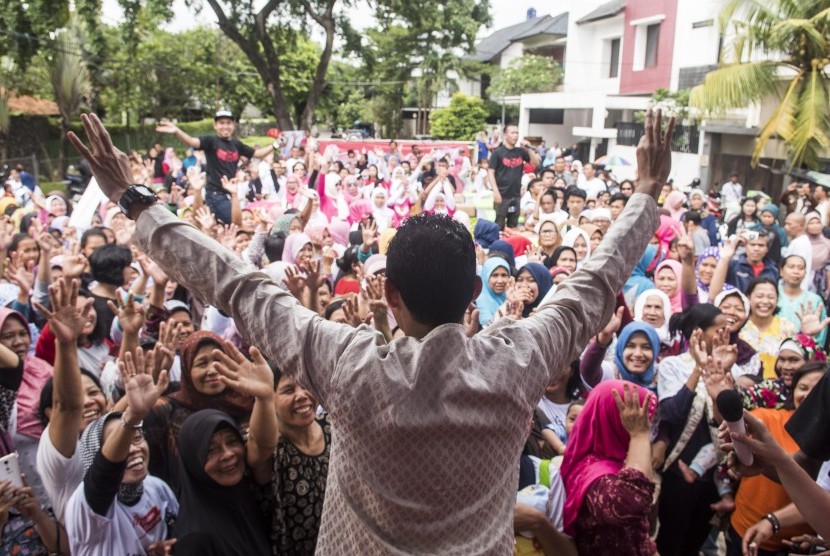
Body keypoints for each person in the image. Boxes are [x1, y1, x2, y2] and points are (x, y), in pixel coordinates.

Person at [69, 109, 674, 552]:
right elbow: (593, 287)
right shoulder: (518, 360)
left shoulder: (349, 366)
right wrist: (645, 194)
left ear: (388, 294)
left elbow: (238, 284)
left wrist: (133, 197)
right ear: (473, 295)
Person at [63, 351, 178, 555]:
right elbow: (105, 474)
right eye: (122, 445)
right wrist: (133, 416)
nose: (133, 450)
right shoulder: (86, 508)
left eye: (137, 438)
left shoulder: (157, 488)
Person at [727, 362, 825, 556]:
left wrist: (774, 521)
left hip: (789, 544)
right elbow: (803, 469)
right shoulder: (766, 418)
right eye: (803, 388)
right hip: (743, 529)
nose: (808, 397)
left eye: (816, 392)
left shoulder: (824, 439)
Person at [560, 381, 656, 555]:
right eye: (637, 420)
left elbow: (637, 532)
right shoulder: (595, 474)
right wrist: (639, 435)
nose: (647, 426)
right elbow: (632, 504)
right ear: (614, 420)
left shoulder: (607, 461)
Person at [155, 111, 277, 224]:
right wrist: (177, 131)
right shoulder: (211, 141)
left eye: (228, 123)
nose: (225, 126)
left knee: (236, 225)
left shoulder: (236, 144)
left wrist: (276, 144)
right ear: (215, 125)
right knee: (237, 223)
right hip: (215, 195)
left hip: (231, 193)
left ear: (233, 125)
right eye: (221, 123)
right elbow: (192, 142)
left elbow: (258, 154)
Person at [488, 125, 540, 229]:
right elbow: (490, 172)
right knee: (499, 224)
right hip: (502, 194)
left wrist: (528, 148)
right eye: (512, 133)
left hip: (516, 195)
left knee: (513, 224)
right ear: (505, 135)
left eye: (517, 133)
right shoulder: (498, 152)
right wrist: (496, 192)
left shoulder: (521, 152)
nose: (515, 135)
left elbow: (536, 163)